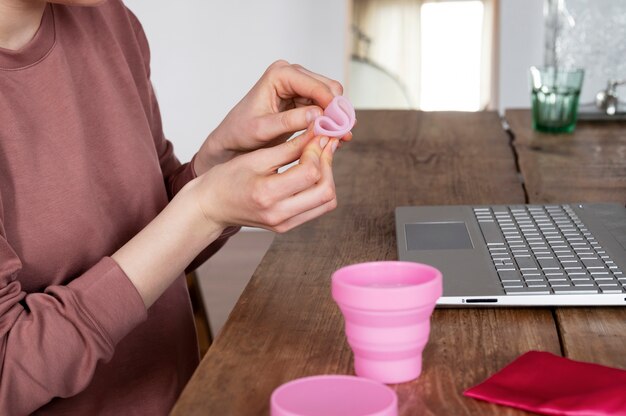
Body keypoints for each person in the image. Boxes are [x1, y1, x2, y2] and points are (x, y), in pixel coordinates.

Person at [0, 0, 352, 414]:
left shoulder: (110, 20)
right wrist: (203, 209)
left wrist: (221, 160)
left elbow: (152, 241)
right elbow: (9, 371)